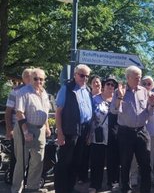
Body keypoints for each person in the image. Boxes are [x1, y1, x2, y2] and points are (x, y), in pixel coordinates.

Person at [110, 65, 154, 193]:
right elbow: (113, 111)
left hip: (142, 131)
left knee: (146, 164)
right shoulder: (119, 92)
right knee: (125, 164)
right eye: (136, 77)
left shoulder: (144, 91)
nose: (139, 80)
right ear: (128, 77)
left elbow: (149, 113)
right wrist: (120, 97)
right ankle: (125, 189)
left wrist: (152, 104)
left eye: (140, 77)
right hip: (125, 133)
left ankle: (145, 190)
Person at [54, 64, 93, 193]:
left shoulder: (87, 90)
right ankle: (60, 189)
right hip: (69, 130)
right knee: (64, 162)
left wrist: (89, 133)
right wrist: (60, 133)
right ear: (75, 74)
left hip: (83, 130)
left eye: (87, 76)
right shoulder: (67, 88)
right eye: (82, 75)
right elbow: (58, 112)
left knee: (76, 161)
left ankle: (70, 188)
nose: (85, 78)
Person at [12, 68, 51, 193]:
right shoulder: (23, 92)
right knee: (22, 162)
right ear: (31, 78)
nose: (38, 81)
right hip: (26, 128)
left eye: (41, 79)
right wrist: (25, 132)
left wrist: (47, 127)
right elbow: (19, 113)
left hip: (40, 130)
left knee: (38, 160)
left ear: (44, 80)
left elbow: (45, 111)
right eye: (35, 78)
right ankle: (16, 189)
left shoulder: (44, 93)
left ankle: (32, 188)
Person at [88, 75, 118, 193]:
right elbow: (90, 118)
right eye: (108, 84)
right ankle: (95, 184)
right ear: (104, 85)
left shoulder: (118, 100)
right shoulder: (95, 99)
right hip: (98, 134)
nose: (110, 86)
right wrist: (89, 134)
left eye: (113, 85)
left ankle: (113, 182)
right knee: (97, 161)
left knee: (113, 161)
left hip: (113, 135)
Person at [5, 68, 32, 184]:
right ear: (23, 78)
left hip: (33, 128)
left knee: (30, 156)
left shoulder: (37, 90)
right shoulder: (15, 91)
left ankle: (27, 180)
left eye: (32, 76)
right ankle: (13, 181)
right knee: (17, 156)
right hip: (18, 128)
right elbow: (8, 112)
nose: (30, 79)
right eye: (27, 76)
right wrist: (9, 130)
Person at [129, 76, 154, 186]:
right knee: (134, 158)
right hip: (139, 130)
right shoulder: (138, 94)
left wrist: (152, 104)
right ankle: (133, 178)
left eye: (149, 84)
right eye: (144, 83)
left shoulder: (153, 96)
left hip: (152, 131)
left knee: (147, 158)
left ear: (152, 85)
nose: (146, 86)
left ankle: (148, 177)